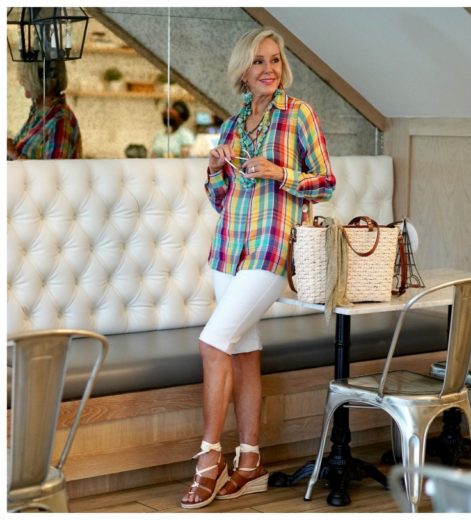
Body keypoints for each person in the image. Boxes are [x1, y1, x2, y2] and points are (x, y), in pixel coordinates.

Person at [179, 26, 335, 509]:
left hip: (272, 247)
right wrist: (213, 169)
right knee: (243, 350)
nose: (269, 69)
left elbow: (325, 182)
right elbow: (221, 199)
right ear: (243, 72)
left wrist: (278, 173)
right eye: (259, 62)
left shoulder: (299, 115)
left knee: (212, 342)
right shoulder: (230, 127)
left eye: (275, 60)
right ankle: (251, 463)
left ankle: (209, 458)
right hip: (229, 248)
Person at [8, 60, 82, 159]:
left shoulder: (60, 121)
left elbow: (52, 172)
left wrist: (13, 153)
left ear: (39, 80)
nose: (21, 82)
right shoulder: (40, 112)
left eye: (26, 77)